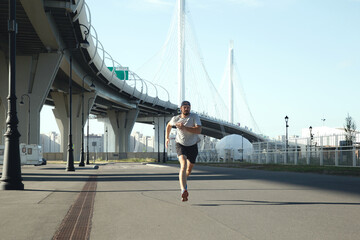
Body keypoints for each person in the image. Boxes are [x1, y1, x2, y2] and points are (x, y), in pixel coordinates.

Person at [166, 100, 202, 202]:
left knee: (189, 170)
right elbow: (169, 125)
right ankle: (183, 190)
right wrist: (167, 138)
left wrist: (184, 127)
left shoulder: (194, 117)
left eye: (188, 107)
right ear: (181, 108)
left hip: (193, 145)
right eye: (185, 107)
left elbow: (198, 130)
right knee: (183, 164)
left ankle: (183, 181)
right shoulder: (176, 119)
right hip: (180, 144)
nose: (187, 109)